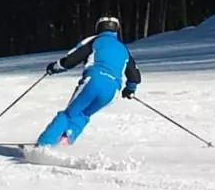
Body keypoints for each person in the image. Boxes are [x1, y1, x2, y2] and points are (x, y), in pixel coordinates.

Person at [35, 16, 141, 147]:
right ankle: (65, 140)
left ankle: (44, 144)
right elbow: (134, 74)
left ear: (98, 27)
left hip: (94, 81)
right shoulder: (123, 49)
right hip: (112, 91)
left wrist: (55, 67)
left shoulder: (94, 41)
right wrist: (130, 89)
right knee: (84, 114)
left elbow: (72, 58)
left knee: (69, 114)